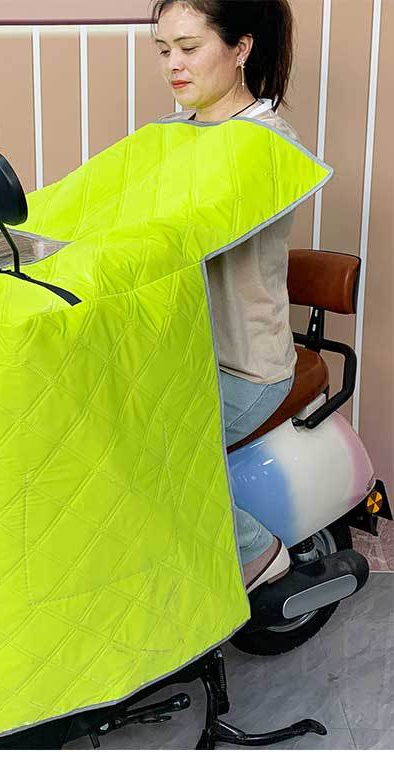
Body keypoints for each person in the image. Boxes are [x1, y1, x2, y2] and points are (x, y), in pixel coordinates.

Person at [151, 0, 299, 591]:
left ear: (240, 49)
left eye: (189, 48)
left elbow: (182, 236)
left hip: (244, 366)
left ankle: (257, 554)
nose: (173, 65)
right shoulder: (170, 137)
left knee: (151, 454)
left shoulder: (267, 145)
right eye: (164, 50)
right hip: (179, 355)